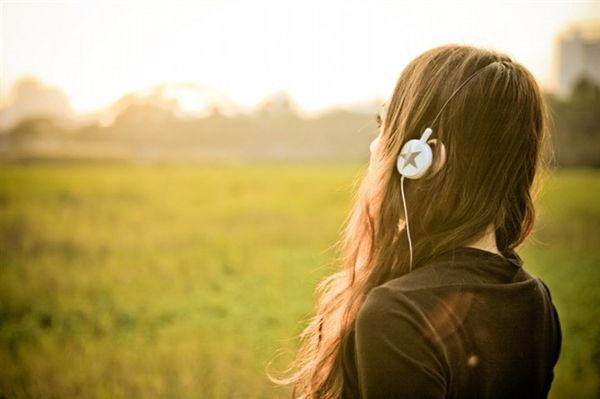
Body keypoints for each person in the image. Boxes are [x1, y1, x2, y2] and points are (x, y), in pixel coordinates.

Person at [268, 44, 562, 398]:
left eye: (387, 125)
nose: (377, 146)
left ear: (424, 158)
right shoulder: (535, 299)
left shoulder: (398, 313)